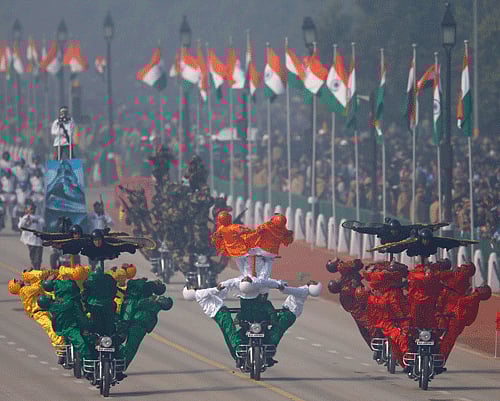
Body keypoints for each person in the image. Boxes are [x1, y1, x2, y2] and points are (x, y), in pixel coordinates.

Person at [18, 202, 45, 270]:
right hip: (30, 241)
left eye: (33, 209)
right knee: (32, 256)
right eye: (30, 209)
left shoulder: (38, 217)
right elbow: (20, 226)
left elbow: (43, 223)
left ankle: (37, 269)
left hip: (38, 241)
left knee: (38, 258)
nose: (32, 210)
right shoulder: (25, 217)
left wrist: (35, 220)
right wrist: (26, 220)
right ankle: (35, 267)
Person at [88, 202, 114, 270]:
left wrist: (104, 218)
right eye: (95, 207)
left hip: (101, 238)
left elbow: (111, 223)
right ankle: (93, 268)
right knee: (92, 255)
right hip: (92, 237)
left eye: (98, 207)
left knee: (101, 256)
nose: (97, 209)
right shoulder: (91, 215)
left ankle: (101, 269)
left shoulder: (105, 214)